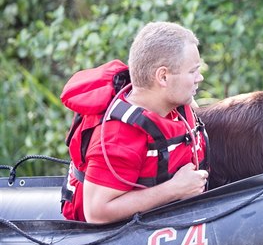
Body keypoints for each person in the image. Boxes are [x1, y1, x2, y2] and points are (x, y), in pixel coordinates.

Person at [61, 22, 208, 224]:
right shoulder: (119, 137)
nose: (199, 77)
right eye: (193, 71)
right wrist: (174, 190)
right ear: (163, 77)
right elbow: (96, 212)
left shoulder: (173, 102)